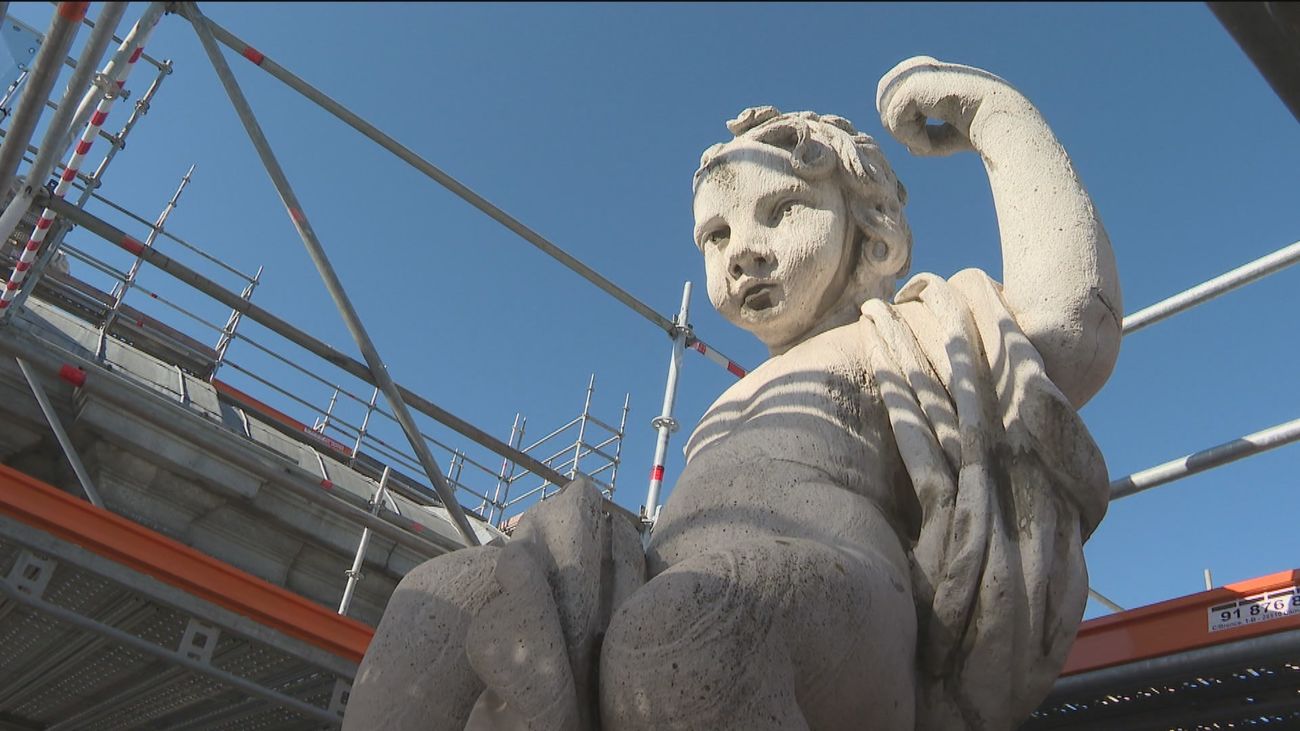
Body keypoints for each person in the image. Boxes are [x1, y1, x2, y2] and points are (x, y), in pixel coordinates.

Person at [345, 56, 1120, 731]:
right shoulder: (732, 400)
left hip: (834, 602)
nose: (743, 251)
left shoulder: (905, 331)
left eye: (781, 212)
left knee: (686, 633)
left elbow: (1069, 323)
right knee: (441, 599)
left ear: (874, 230)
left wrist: (998, 117)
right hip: (665, 584)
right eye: (716, 236)